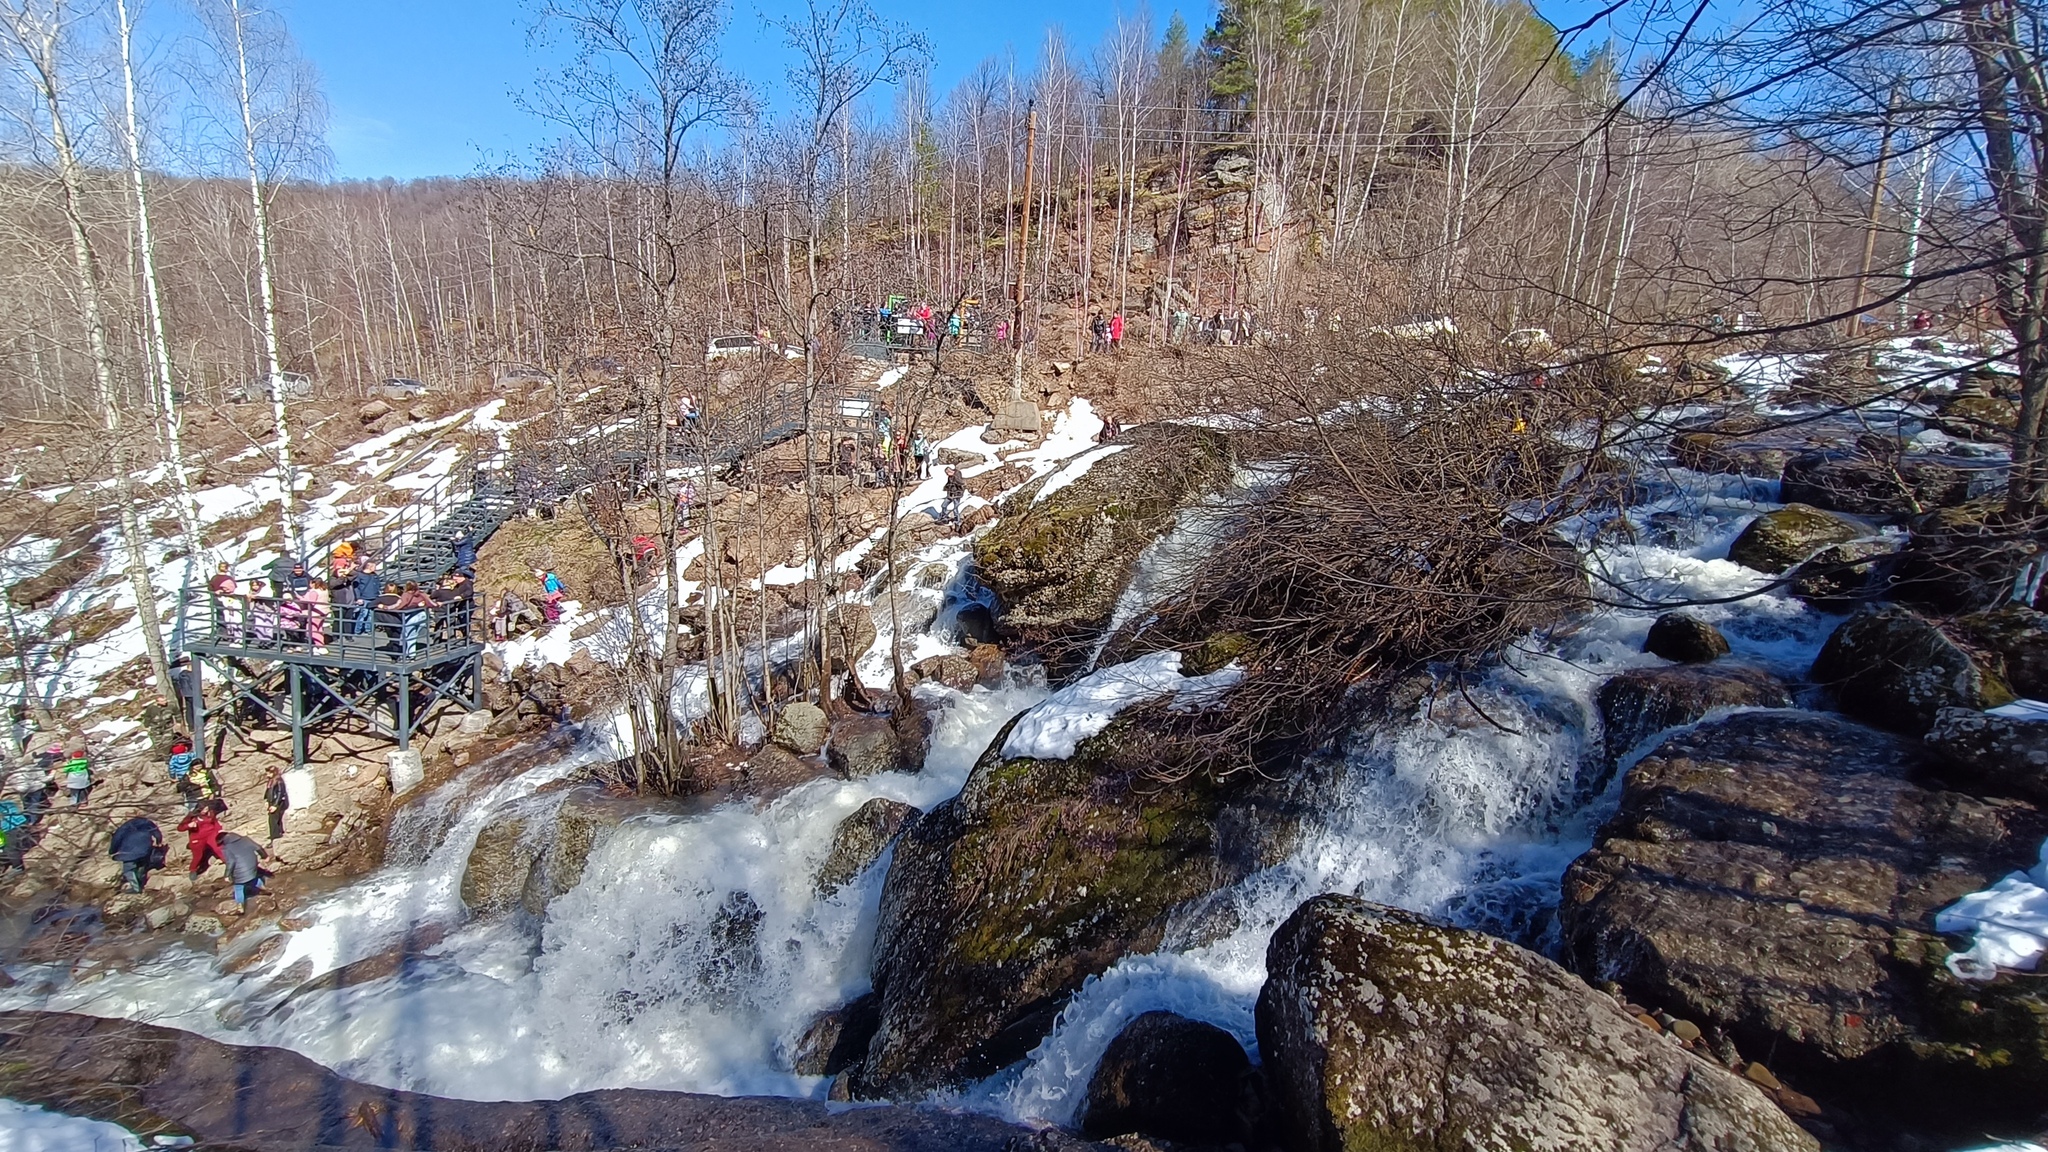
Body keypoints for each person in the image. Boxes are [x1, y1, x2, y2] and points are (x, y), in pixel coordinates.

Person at [219, 831, 271, 914]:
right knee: (253, 878)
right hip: (252, 866)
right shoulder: (245, 839)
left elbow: (231, 862)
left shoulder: (226, 848)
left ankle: (240, 906)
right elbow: (258, 847)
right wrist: (265, 856)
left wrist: (227, 875)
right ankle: (265, 889)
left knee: (238, 887)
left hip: (240, 872)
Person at [109, 816, 164, 893]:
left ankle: (136, 889)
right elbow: (157, 833)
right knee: (142, 867)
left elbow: (116, 839)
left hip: (127, 853)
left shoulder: (126, 826)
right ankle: (141, 884)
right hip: (144, 849)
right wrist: (159, 841)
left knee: (129, 870)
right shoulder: (147, 823)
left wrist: (112, 851)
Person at [179, 801, 226, 877]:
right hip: (198, 837)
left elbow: (215, 822)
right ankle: (193, 869)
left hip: (210, 833)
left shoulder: (210, 813)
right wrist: (188, 825)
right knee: (198, 856)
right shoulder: (191, 817)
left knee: (218, 848)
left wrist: (219, 829)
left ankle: (227, 861)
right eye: (204, 809)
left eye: (207, 808)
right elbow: (180, 828)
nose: (206, 810)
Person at [167, 737, 201, 814]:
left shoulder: (173, 759)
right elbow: (196, 758)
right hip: (191, 774)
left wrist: (172, 776)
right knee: (194, 788)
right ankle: (196, 802)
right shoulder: (189, 755)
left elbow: (171, 768)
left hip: (181, 777)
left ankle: (188, 805)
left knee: (185, 789)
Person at [263, 765, 290, 841]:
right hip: (272, 801)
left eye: (269, 773)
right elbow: (268, 792)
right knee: (275, 818)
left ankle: (275, 835)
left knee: (273, 819)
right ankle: (278, 832)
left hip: (278, 803)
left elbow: (280, 793)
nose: (267, 775)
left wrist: (275, 805)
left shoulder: (279, 781)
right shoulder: (271, 781)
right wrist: (267, 801)